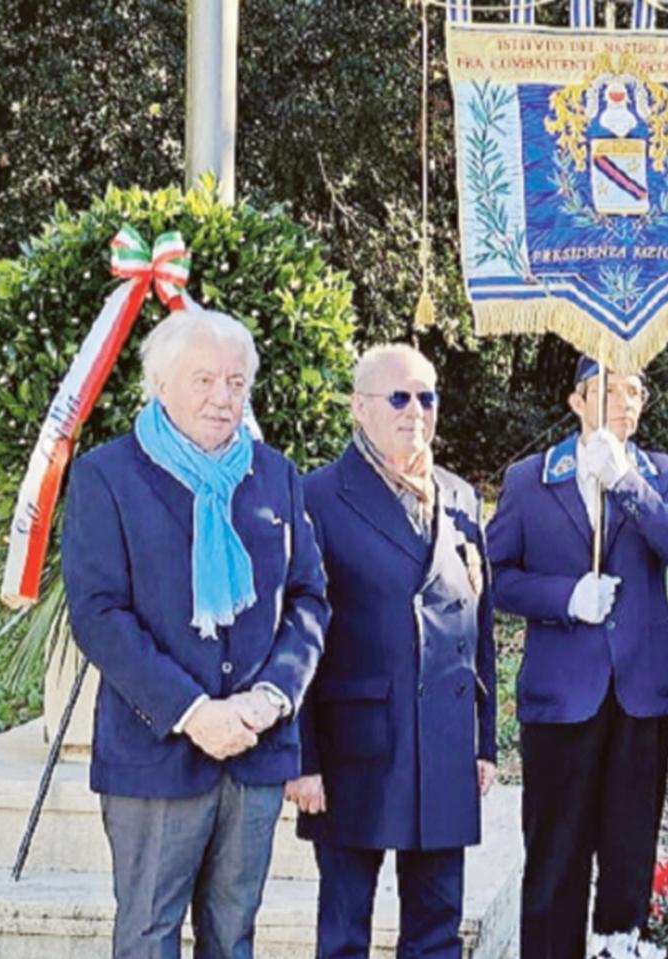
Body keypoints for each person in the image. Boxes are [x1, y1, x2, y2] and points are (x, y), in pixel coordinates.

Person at [62, 308, 329, 959]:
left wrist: (272, 696)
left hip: (256, 749)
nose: (223, 396)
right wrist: (192, 711)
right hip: (156, 754)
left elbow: (309, 600)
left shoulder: (275, 474)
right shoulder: (107, 476)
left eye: (237, 382)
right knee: (149, 934)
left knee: (233, 936)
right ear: (159, 383)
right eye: (204, 379)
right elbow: (99, 612)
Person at [290, 344, 498, 958]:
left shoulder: (460, 497)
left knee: (437, 928)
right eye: (399, 397)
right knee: (346, 929)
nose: (416, 411)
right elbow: (295, 634)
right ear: (360, 407)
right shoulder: (318, 496)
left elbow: (478, 624)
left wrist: (483, 742)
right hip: (356, 745)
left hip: (442, 742)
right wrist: (302, 759)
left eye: (427, 397)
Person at [487, 357, 668, 959]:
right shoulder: (531, 478)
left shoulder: (663, 473)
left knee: (631, 851)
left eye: (636, 390)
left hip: (642, 693)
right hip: (561, 695)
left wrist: (628, 483)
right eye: (610, 389)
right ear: (577, 400)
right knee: (556, 856)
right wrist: (565, 598)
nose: (626, 401)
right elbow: (495, 576)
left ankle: (618, 949)